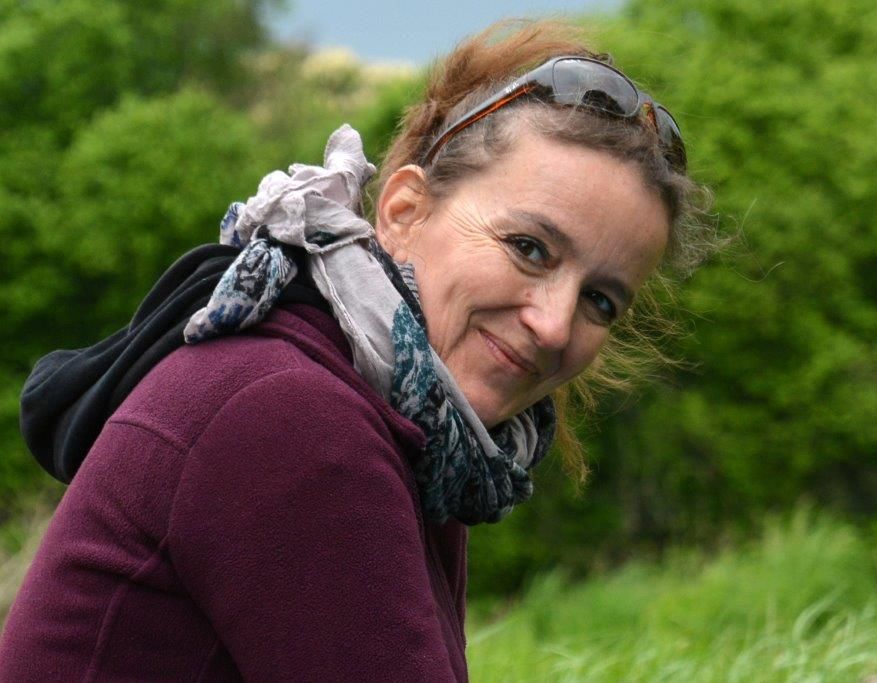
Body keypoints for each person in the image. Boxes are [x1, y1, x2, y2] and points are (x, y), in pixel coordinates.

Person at [0, 20, 713, 681]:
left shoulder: (413, 427)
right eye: (529, 247)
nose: (555, 326)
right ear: (404, 212)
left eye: (601, 301)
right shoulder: (295, 419)